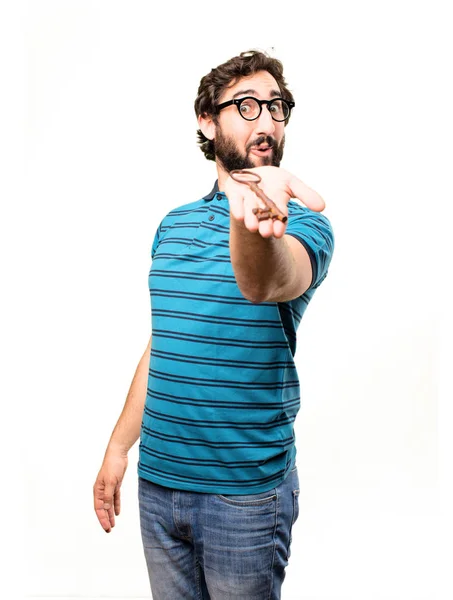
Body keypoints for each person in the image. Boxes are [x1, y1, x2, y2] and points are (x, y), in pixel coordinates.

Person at [93, 50, 335, 599]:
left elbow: (267, 282)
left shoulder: (304, 226)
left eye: (278, 106)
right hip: (158, 487)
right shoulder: (172, 227)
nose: (268, 121)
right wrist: (117, 449)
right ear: (207, 120)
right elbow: (165, 345)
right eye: (247, 105)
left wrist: (251, 220)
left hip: (244, 500)